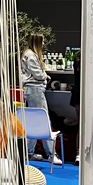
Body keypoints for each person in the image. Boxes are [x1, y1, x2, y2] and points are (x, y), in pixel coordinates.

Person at [21, 34, 59, 164]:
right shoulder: (31, 55)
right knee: (44, 120)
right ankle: (51, 154)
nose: (43, 44)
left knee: (34, 121)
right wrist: (45, 76)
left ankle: (29, 152)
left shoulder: (28, 54)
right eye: (42, 42)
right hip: (35, 90)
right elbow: (37, 74)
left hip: (31, 90)